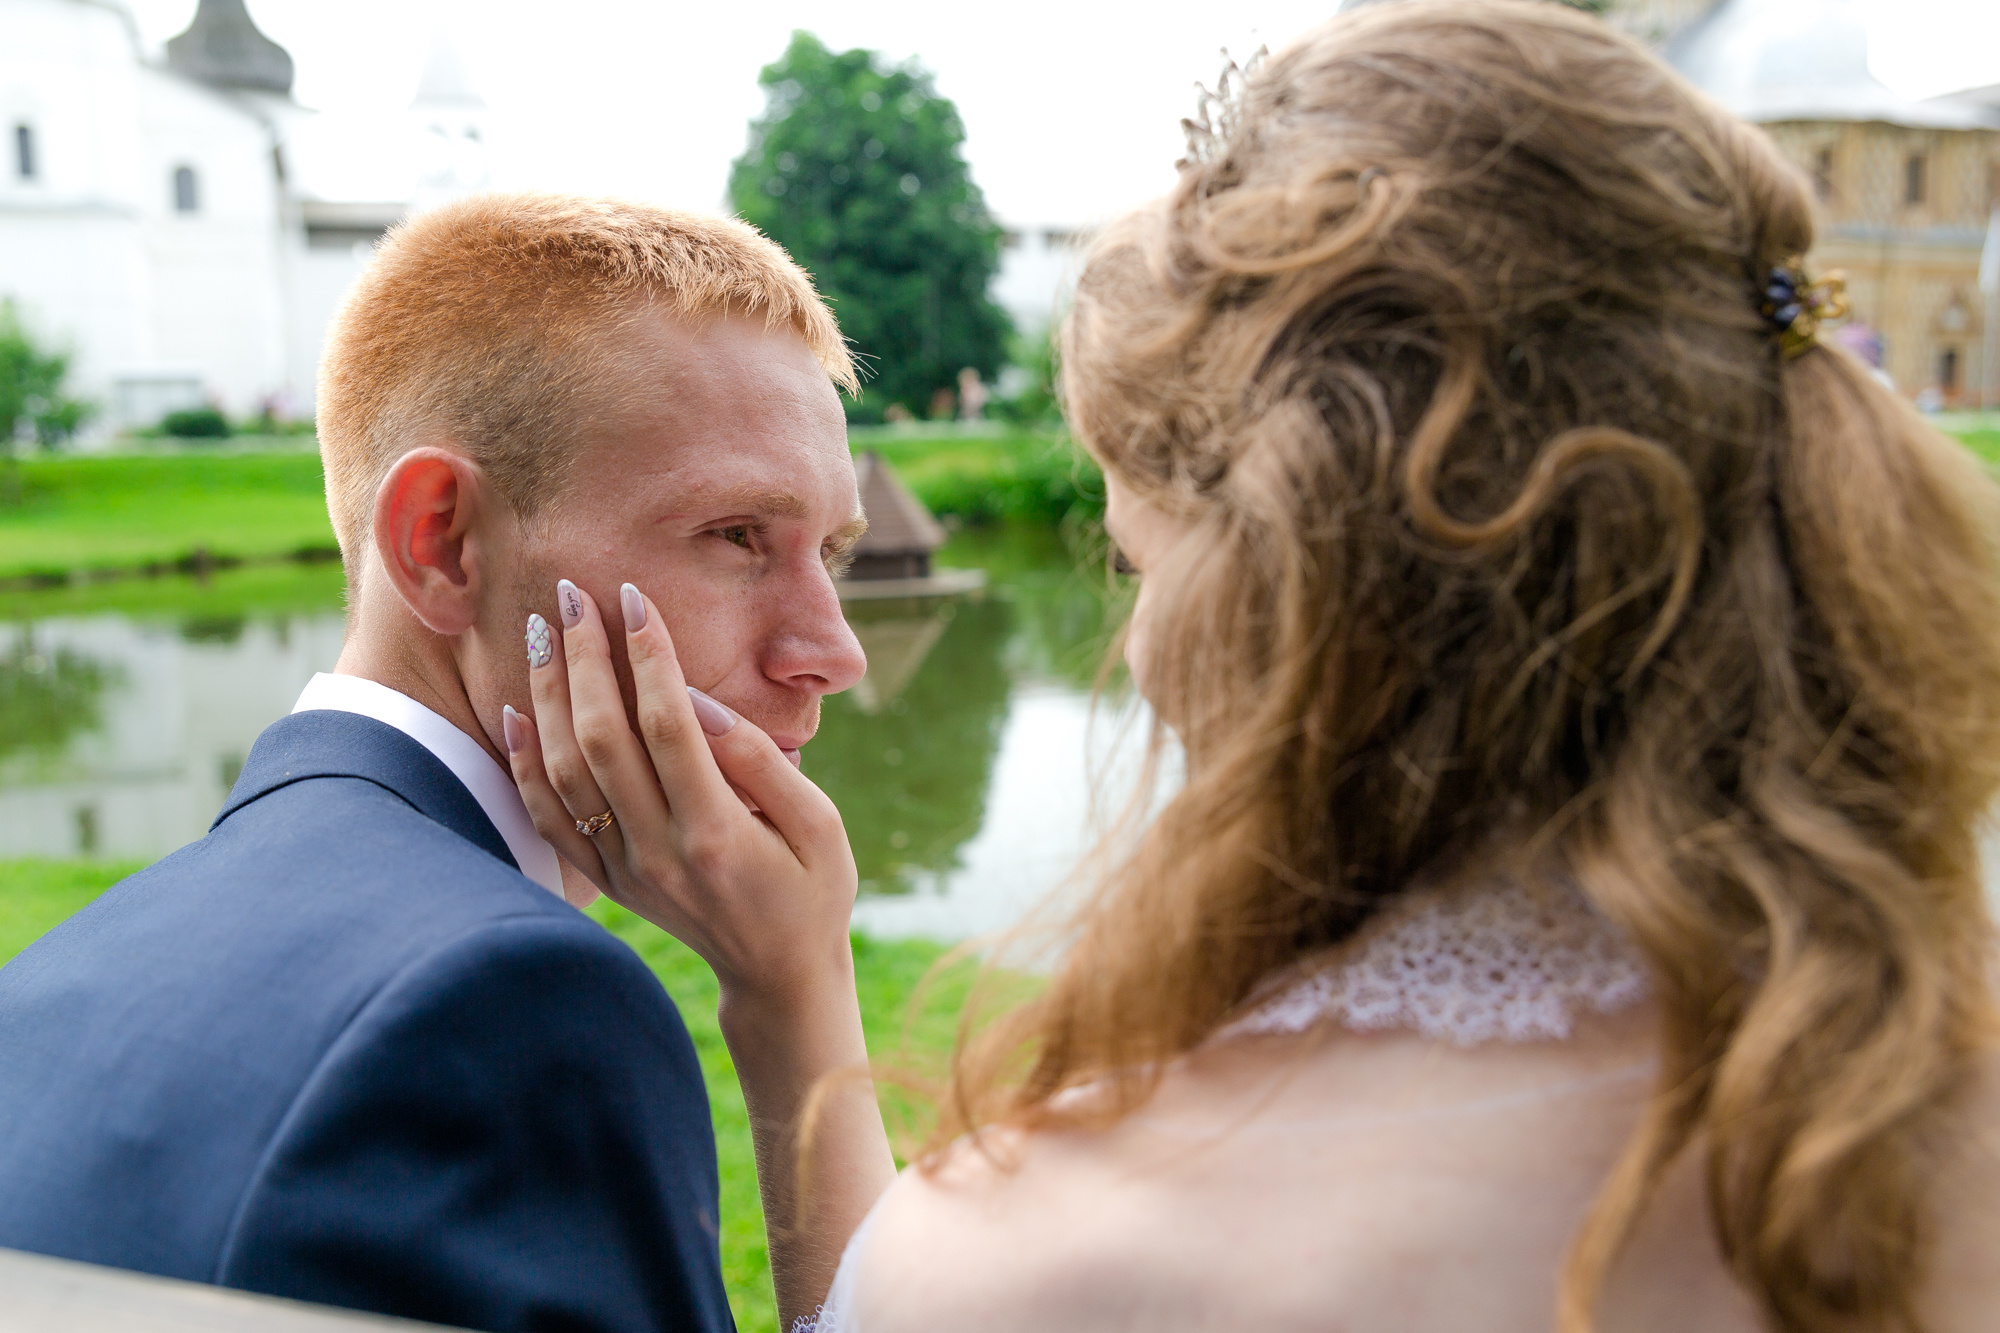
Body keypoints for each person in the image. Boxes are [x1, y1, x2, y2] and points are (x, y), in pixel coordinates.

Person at [520, 4, 2000, 1330]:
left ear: (1278, 599)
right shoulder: (1934, 1089)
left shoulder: (1067, 1256)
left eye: (1143, 561)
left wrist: (786, 996)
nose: (1139, 650)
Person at [0, 193, 890, 1332]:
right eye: (736, 537)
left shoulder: (58, 971)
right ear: (441, 544)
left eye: (830, 552)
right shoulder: (506, 1004)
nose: (834, 651)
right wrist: (797, 997)